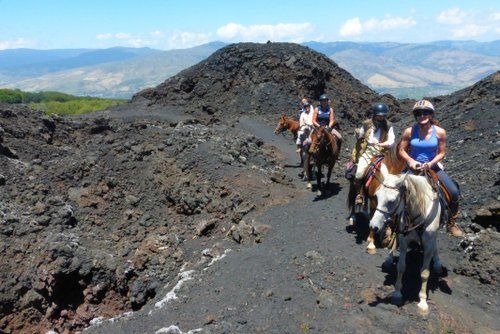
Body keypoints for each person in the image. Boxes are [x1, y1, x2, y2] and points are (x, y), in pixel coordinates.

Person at [399, 99, 463, 237]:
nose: (422, 116)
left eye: (425, 113)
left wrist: (431, 163)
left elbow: (442, 152)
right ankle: (391, 225)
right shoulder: (409, 131)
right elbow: (402, 150)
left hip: (432, 167)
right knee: (394, 192)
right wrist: (410, 160)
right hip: (413, 167)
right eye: (419, 113)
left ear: (431, 115)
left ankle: (452, 222)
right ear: (415, 116)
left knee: (453, 192)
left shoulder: (440, 132)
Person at [351, 102, 395, 205]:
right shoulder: (366, 124)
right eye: (379, 115)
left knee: (392, 174)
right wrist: (358, 135)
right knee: (359, 173)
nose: (381, 117)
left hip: (383, 153)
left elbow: (392, 140)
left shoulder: (388, 125)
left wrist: (382, 144)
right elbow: (360, 135)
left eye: (383, 115)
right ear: (375, 114)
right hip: (368, 152)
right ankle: (359, 194)